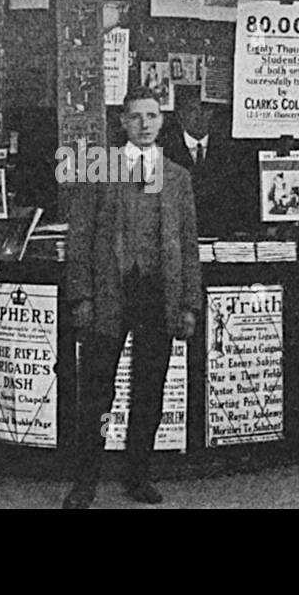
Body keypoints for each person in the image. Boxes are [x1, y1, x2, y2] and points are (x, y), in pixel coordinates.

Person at [63, 87, 202, 509]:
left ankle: (137, 474)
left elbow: (189, 244)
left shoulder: (177, 175)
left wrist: (188, 303)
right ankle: (85, 480)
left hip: (157, 293)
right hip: (110, 292)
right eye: (136, 116)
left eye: (153, 116)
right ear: (122, 122)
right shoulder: (99, 168)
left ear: (163, 122)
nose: (145, 124)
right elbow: (80, 237)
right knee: (97, 390)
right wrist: (81, 295)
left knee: (149, 388)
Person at [161, 89, 251, 236]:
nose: (199, 116)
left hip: (221, 234)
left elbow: (240, 197)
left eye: (205, 109)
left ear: (213, 113)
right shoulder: (166, 151)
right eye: (192, 110)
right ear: (180, 116)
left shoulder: (230, 151)